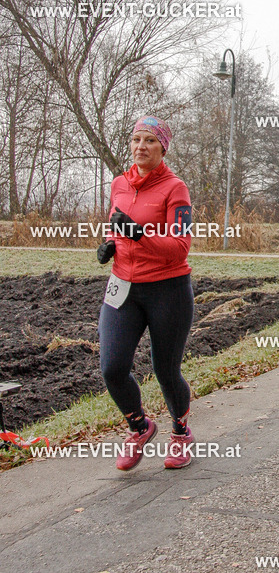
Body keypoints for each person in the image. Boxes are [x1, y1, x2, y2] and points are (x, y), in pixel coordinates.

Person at [96, 115, 195, 470]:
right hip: (123, 286)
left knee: (165, 369)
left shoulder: (175, 188)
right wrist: (110, 243)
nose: (141, 146)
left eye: (150, 141)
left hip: (167, 289)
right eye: (136, 139)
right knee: (112, 367)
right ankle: (139, 427)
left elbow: (179, 247)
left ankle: (181, 433)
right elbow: (115, 225)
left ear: (162, 147)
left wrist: (139, 234)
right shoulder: (120, 183)